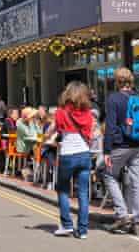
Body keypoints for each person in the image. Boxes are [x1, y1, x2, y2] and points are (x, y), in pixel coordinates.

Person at [102, 67, 139, 236]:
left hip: (120, 145)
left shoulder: (113, 99)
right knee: (138, 182)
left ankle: (122, 214)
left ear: (117, 81)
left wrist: (107, 150)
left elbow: (110, 126)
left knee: (108, 175)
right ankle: (137, 220)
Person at [47, 81, 93, 239]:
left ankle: (66, 225)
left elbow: (51, 130)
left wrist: (45, 138)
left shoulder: (61, 112)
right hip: (85, 154)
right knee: (82, 193)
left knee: (63, 190)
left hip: (68, 155)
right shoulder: (88, 113)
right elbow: (90, 133)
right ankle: (82, 230)